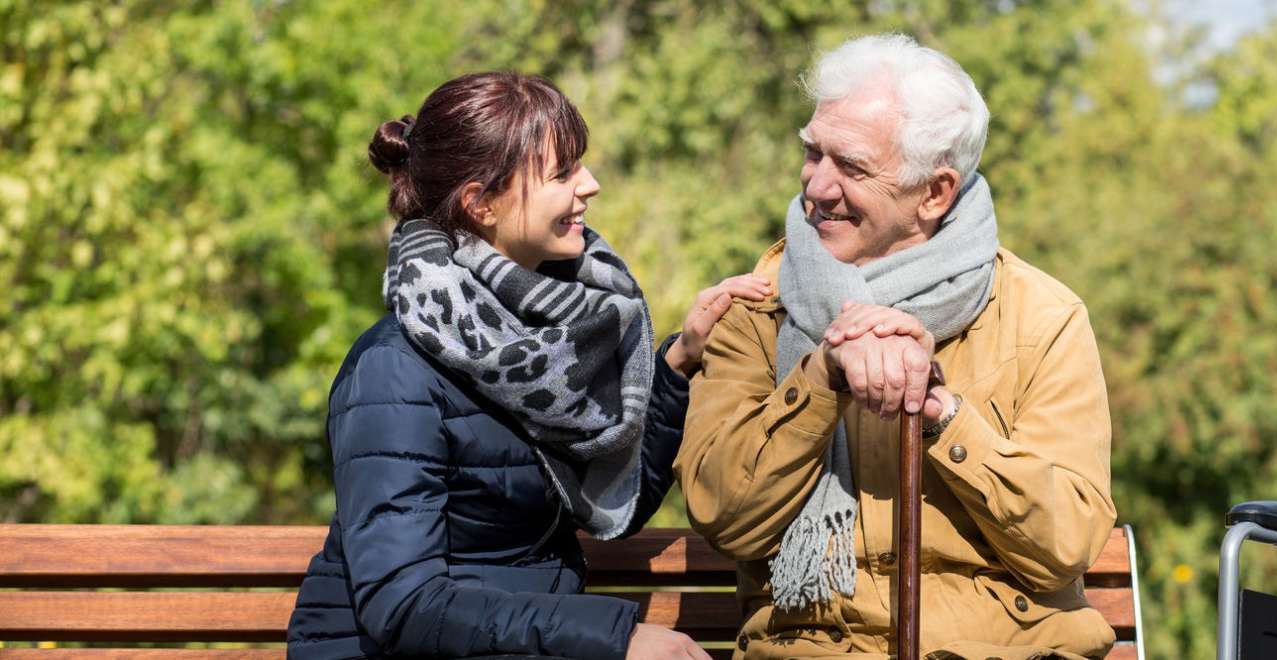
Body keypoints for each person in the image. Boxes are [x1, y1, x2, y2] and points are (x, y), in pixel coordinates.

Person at [285, 71, 766, 659]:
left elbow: (617, 504)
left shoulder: (549, 346)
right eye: (562, 173)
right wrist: (616, 638)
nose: (589, 185)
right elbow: (402, 603)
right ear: (480, 203)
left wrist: (679, 361)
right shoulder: (394, 371)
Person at [675, 35, 1118, 659]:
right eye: (812, 152)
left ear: (934, 193)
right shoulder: (756, 305)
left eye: (851, 166)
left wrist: (941, 415)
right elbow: (723, 516)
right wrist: (824, 375)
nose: (817, 187)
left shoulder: (1042, 315)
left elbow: (1064, 544)